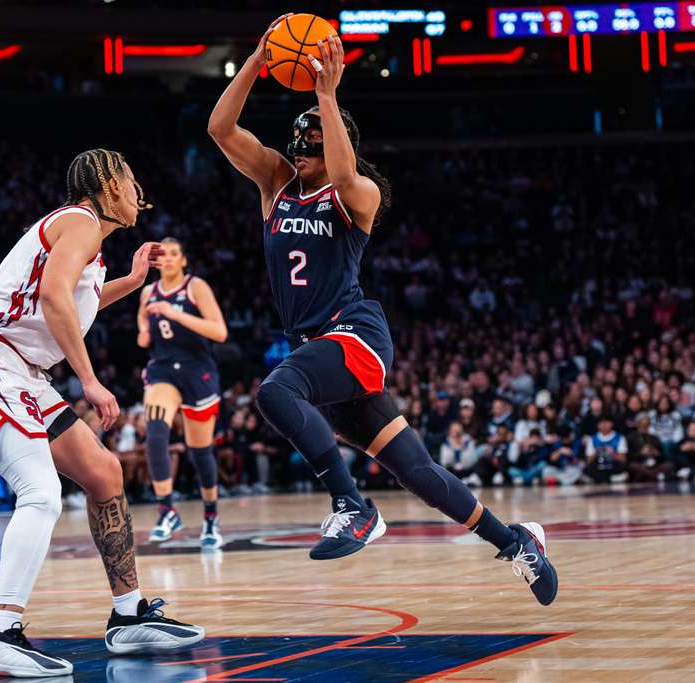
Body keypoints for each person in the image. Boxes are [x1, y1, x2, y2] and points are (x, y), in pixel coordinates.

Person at [208, 16, 557, 606]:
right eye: (306, 130)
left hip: (353, 334)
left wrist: (327, 93)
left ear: (336, 137)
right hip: (316, 348)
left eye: (319, 130)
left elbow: (344, 173)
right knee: (416, 471)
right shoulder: (275, 182)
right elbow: (219, 127)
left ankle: (352, 507)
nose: (306, 138)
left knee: (273, 393)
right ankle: (515, 542)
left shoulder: (358, 193)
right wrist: (258, 60)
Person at [0, 149, 204, 677]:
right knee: (41, 491)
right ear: (107, 184)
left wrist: (131, 281)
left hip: (17, 369)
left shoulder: (89, 243)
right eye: (130, 180)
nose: (137, 191)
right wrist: (89, 380)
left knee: (103, 473)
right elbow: (56, 297)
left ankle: (127, 617)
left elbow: (73, 300)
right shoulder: (79, 221)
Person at [136, 237, 228, 548]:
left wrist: (177, 315)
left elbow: (219, 331)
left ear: (183, 260)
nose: (169, 259)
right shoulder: (148, 293)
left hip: (197, 371)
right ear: (157, 262)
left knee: (199, 450)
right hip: (163, 369)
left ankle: (210, 517)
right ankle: (166, 510)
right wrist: (143, 332)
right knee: (156, 432)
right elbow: (143, 325)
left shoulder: (195, 286)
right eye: (163, 255)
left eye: (175, 254)